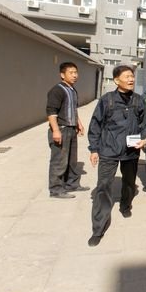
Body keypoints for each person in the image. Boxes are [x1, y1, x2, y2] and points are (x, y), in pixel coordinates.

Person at [87, 65, 146, 247]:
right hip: (108, 150)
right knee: (103, 187)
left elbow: (145, 124)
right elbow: (95, 125)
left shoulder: (139, 100)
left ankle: (125, 205)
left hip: (131, 151)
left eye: (132, 76)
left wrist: (145, 138)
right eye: (127, 76)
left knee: (129, 183)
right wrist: (94, 149)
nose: (131, 79)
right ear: (116, 80)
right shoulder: (107, 100)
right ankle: (98, 228)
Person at [46, 62, 89, 199]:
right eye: (71, 73)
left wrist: (79, 124)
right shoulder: (57, 90)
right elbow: (51, 112)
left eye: (76, 72)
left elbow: (73, 109)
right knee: (59, 160)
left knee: (71, 159)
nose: (75, 75)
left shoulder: (72, 90)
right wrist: (55, 130)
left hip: (71, 129)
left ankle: (72, 184)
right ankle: (56, 189)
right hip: (61, 129)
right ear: (62, 75)